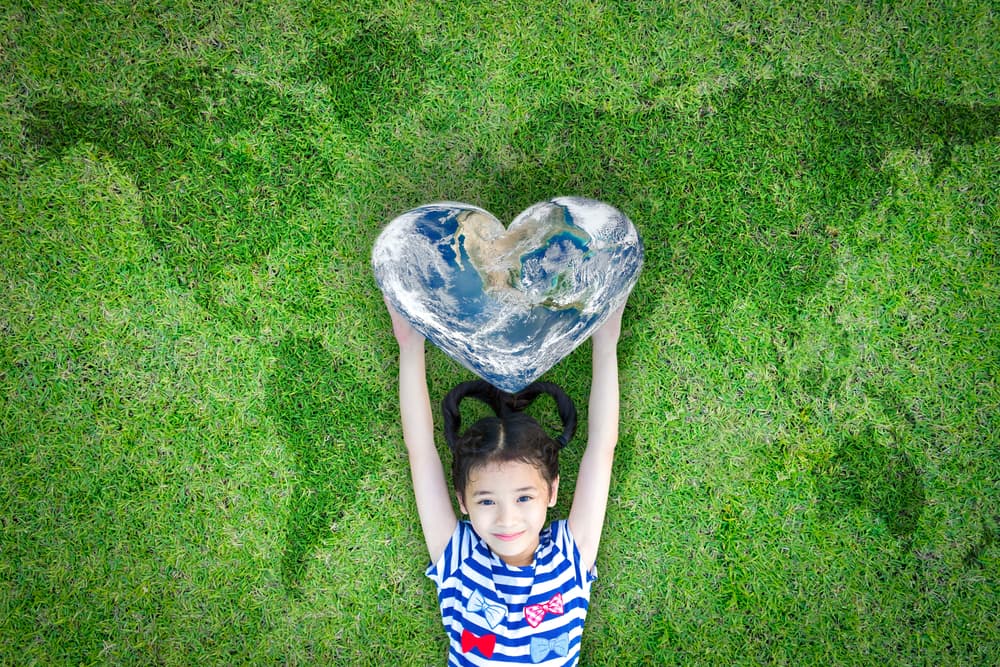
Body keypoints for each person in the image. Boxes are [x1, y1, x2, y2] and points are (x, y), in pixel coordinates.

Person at [386, 298, 625, 666]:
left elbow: (602, 449)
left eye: (524, 498)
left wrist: (606, 342)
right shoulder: (459, 559)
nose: (506, 519)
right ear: (462, 503)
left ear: (552, 491)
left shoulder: (569, 554)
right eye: (485, 501)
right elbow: (419, 451)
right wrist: (409, 343)